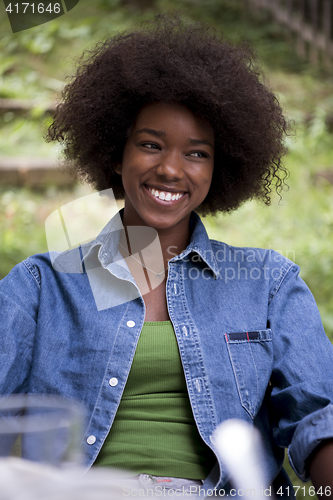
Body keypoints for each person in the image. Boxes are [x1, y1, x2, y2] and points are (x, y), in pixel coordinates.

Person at [1, 13, 333, 498]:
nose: (172, 169)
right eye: (151, 145)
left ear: (220, 167)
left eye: (197, 153)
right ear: (117, 154)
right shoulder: (40, 286)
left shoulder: (268, 283)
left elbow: (318, 418)